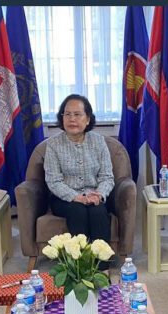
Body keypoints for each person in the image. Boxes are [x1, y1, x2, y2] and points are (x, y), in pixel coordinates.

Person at [44, 94, 115, 266]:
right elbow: (53, 181)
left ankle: (101, 267)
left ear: (88, 119)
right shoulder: (53, 144)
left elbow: (107, 177)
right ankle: (79, 266)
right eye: (67, 114)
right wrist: (76, 197)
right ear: (62, 118)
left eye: (77, 114)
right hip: (65, 198)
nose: (72, 119)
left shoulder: (98, 142)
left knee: (98, 211)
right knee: (78, 210)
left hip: (95, 194)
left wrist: (98, 194)